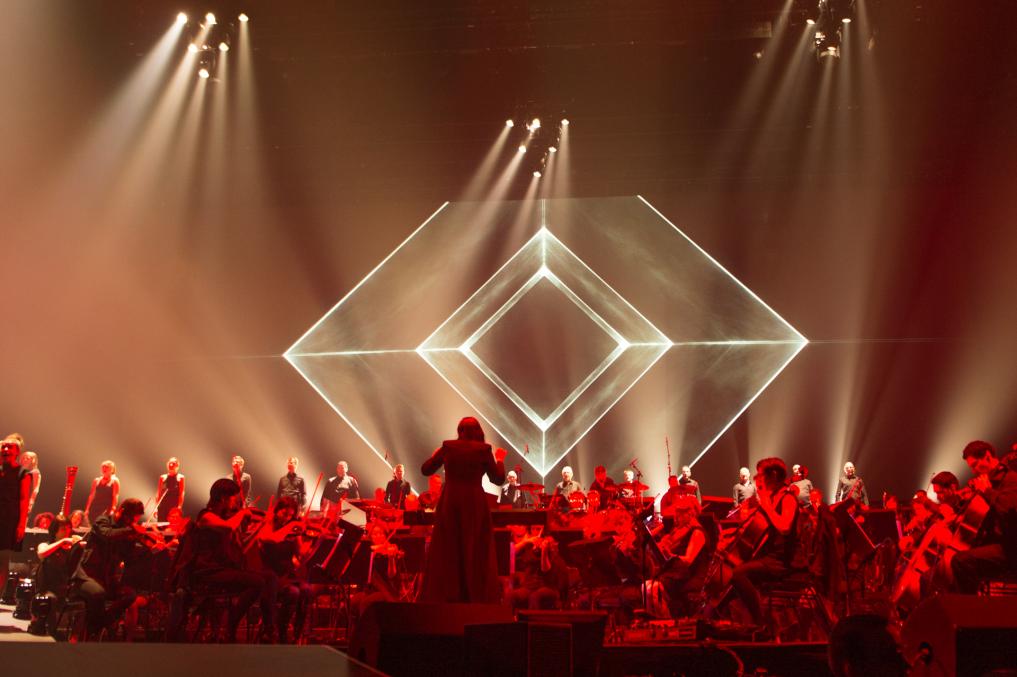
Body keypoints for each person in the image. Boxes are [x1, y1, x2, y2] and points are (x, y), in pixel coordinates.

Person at [419, 417, 506, 603]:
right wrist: (499, 460)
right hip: (474, 502)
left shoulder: (448, 447)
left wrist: (435, 456)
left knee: (448, 548)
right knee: (473, 548)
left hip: (450, 502)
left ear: (460, 431)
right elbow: (498, 479)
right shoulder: (484, 449)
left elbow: (426, 470)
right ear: (479, 431)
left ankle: (446, 596)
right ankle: (474, 597)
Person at [179, 478, 276, 642]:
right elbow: (228, 527)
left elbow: (241, 548)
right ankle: (232, 624)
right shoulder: (206, 516)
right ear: (223, 498)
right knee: (257, 582)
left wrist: (260, 527)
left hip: (224, 570)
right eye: (233, 498)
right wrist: (242, 513)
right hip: (207, 572)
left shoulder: (224, 517)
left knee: (269, 578)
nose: (235, 502)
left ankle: (269, 627)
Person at [727, 457, 800, 628]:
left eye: (761, 475)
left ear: (773, 475)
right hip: (768, 557)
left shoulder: (788, 498)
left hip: (782, 561)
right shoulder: (771, 497)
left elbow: (785, 527)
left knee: (738, 574)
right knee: (731, 569)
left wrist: (766, 506)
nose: (758, 478)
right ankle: (743, 622)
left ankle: (761, 623)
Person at [72, 498, 146, 637]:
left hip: (107, 578)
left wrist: (133, 542)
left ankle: (104, 622)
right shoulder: (103, 520)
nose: (131, 522)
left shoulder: (124, 532)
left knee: (130, 595)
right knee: (98, 593)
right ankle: (98, 627)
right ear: (122, 511)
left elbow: (128, 559)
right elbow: (107, 534)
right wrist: (130, 530)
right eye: (130, 519)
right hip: (86, 576)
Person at [950, 441, 1017, 594]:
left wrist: (987, 491)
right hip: (995, 544)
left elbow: (1008, 510)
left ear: (987, 456)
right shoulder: (990, 482)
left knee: (960, 562)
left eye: (975, 465)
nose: (974, 471)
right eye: (971, 467)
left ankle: (971, 607)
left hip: (1010, 548)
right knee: (952, 561)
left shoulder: (1011, 479)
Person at [259, 496, 313, 643]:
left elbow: (300, 554)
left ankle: (297, 633)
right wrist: (292, 525)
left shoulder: (292, 530)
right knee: (293, 592)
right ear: (277, 511)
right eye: (284, 514)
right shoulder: (268, 525)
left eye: (290, 515)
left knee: (307, 590)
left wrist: (312, 543)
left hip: (287, 573)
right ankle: (280, 629)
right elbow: (272, 539)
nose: (287, 518)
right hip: (271, 574)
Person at [654, 495, 712, 617]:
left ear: (690, 514)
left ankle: (666, 621)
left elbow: (688, 560)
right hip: (681, 575)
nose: (675, 519)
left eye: (679, 515)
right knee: (650, 586)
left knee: (653, 589)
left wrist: (669, 554)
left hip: (691, 578)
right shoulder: (683, 530)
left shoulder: (697, 532)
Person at [0, 435, 31, 599]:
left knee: (2, 560)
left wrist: (21, 525)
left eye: (9, 447)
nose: (5, 449)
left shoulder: (23, 473)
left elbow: (24, 500)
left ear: (17, 451)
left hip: (8, 520)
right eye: (3, 446)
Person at [84, 460, 120, 525]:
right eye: (103, 467)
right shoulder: (96, 480)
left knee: (101, 525)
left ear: (112, 470)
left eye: (107, 467)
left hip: (106, 508)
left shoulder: (115, 481)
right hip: (95, 507)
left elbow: (115, 496)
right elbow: (91, 495)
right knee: (91, 525)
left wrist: (113, 509)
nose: (104, 469)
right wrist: (87, 509)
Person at [156, 457, 185, 522]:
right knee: (161, 523)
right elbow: (158, 493)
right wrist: (156, 508)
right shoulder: (162, 477)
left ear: (177, 466)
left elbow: (181, 493)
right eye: (170, 463)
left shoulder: (180, 477)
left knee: (172, 524)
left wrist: (179, 507)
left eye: (173, 463)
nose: (171, 465)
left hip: (173, 507)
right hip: (162, 507)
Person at [20, 450, 41, 515]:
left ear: (33, 460)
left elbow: (36, 489)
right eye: (23, 458)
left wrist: (30, 503)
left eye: (28, 458)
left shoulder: (35, 472)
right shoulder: (22, 472)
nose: (25, 460)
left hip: (25, 502)